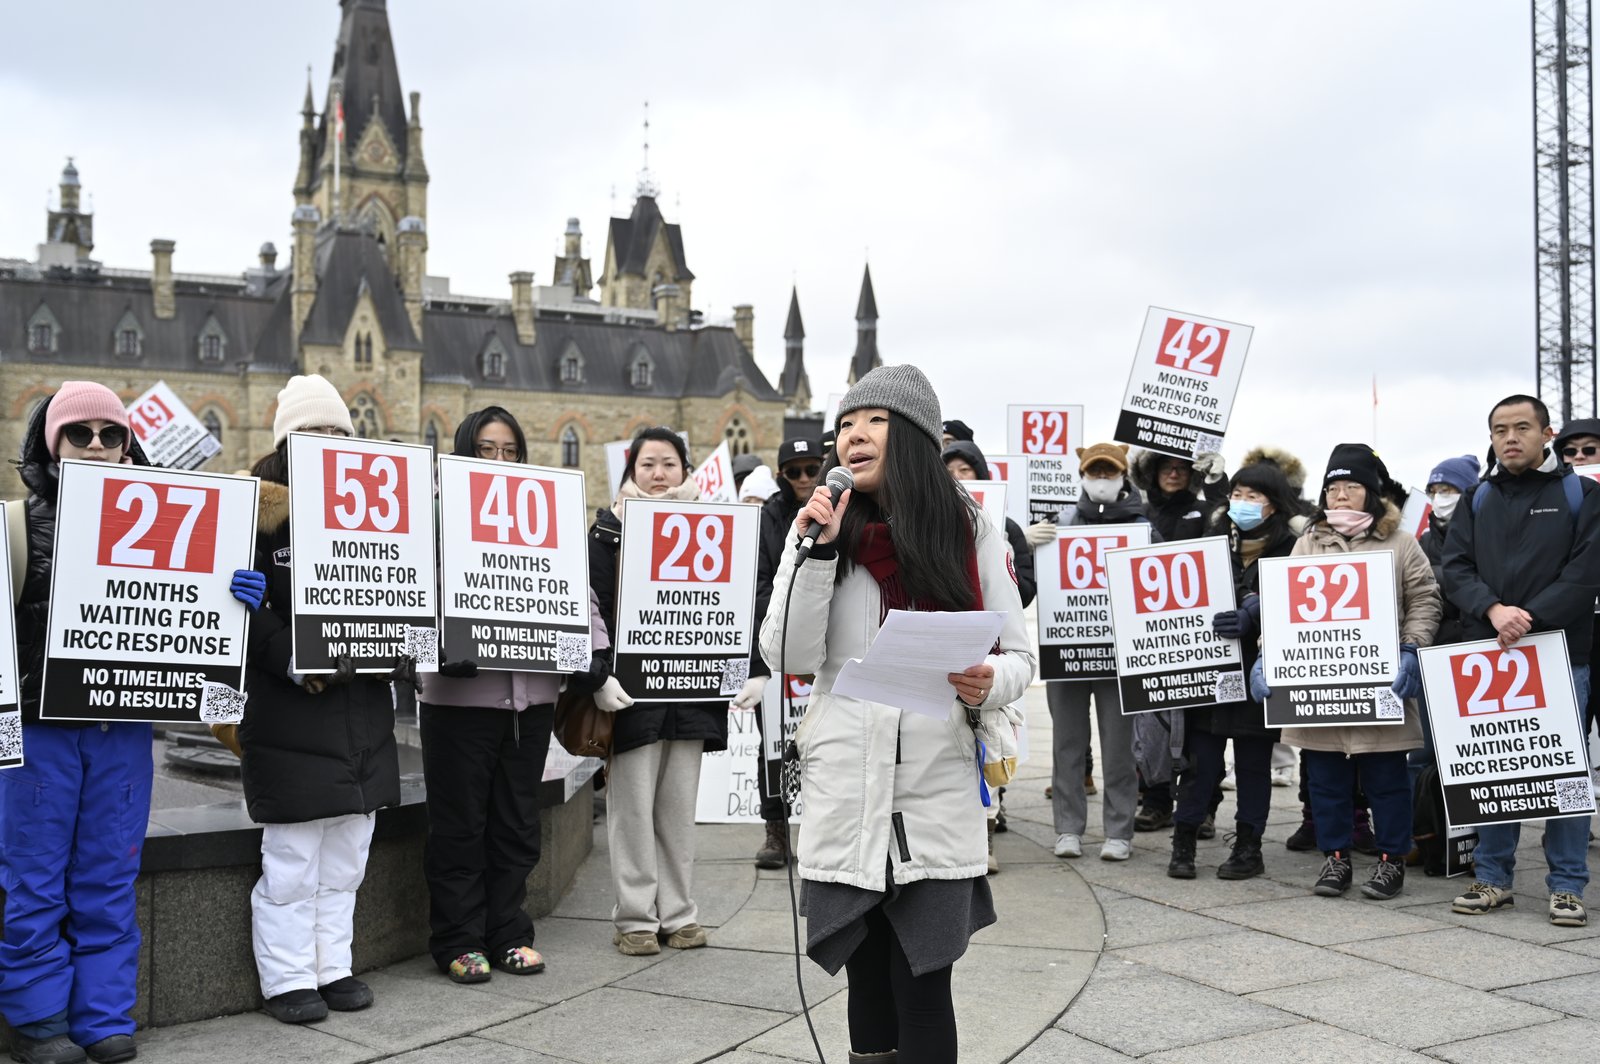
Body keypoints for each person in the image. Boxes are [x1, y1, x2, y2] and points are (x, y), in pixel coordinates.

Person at [761, 366, 1033, 1064]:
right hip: (845, 780)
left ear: (909, 437)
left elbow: (1019, 657)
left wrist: (987, 680)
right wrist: (816, 552)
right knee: (866, 982)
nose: (854, 436)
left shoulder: (969, 526)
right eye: (846, 427)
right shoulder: (820, 528)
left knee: (924, 980)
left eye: (873, 422)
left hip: (934, 785)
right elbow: (785, 652)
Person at [0, 384, 204, 1064]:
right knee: (33, 875)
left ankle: (104, 1016)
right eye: (77, 432)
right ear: (49, 444)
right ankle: (39, 1022)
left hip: (123, 731)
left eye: (108, 434)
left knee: (110, 874)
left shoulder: (173, 530)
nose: (93, 444)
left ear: (128, 445)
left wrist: (233, 595)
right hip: (39, 732)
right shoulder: (12, 528)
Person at [416, 407, 619, 984]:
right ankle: (456, 939)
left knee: (516, 824)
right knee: (459, 826)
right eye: (486, 449)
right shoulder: (436, 517)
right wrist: (431, 646)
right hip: (459, 700)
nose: (500, 461)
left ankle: (509, 932)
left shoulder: (543, 517)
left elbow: (574, 592)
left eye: (510, 450)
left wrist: (597, 656)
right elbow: (406, 588)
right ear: (462, 453)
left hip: (530, 701)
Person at [233, 375, 402, 1024]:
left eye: (338, 432)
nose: (329, 443)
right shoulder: (258, 515)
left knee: (346, 859)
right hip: (292, 717)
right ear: (286, 443)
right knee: (293, 861)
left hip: (362, 721)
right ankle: (286, 979)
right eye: (313, 432)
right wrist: (289, 654)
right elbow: (243, 623)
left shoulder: (378, 516)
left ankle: (333, 965)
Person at [591, 428, 765, 955]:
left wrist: (752, 668)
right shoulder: (606, 529)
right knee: (632, 811)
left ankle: (680, 914)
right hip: (632, 693)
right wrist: (597, 676)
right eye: (647, 464)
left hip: (690, 691)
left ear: (685, 470)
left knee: (676, 811)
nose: (658, 473)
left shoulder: (714, 524)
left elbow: (735, 602)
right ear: (631, 471)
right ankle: (636, 919)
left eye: (669, 463)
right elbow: (591, 604)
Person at [1443, 394, 1600, 927]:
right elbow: (1454, 566)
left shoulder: (1583, 494)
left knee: (1563, 776)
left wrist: (1525, 617)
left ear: (1547, 433)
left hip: (1559, 655)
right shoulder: (1477, 497)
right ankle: (1492, 877)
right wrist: (1492, 609)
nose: (1509, 438)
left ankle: (1567, 885)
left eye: (1521, 428)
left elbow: (1585, 574)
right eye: (1498, 430)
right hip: (1491, 653)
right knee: (1495, 769)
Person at [1268, 445, 1442, 900]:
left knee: (1387, 781)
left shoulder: (1401, 542)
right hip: (1320, 685)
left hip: (1379, 682)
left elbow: (1425, 599)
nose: (1341, 496)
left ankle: (1391, 861)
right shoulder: (1308, 542)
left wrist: (1411, 648)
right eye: (1333, 488)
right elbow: (1284, 607)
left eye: (1352, 487)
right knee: (1324, 781)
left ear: (1372, 494)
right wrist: (1269, 655)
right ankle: (1336, 858)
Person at [1168, 460, 1300, 881]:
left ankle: (1248, 846)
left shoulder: (1291, 549)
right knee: (1200, 766)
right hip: (1209, 676)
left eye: (1254, 496)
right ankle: (1183, 842)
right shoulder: (1212, 541)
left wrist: (1255, 614)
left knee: (1253, 767)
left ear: (1274, 505)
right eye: (1238, 494)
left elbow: (1297, 606)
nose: (1242, 503)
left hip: (1259, 679)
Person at [1044, 442, 1149, 862]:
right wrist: (1026, 541)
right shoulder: (1061, 521)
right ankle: (1068, 828)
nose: (1101, 480)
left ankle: (1119, 830)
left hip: (1119, 655)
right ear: (1082, 475)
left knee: (1120, 747)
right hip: (1068, 649)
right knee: (1067, 743)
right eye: (1094, 472)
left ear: (1123, 476)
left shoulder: (1143, 524)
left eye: (1109, 473)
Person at [941, 438, 1036, 873]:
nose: (957, 477)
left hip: (991, 656)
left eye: (966, 469)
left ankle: (988, 834)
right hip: (949, 653)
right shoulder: (930, 522)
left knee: (992, 746)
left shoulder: (1004, 527)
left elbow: (1025, 588)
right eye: (950, 469)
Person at [1127, 448, 1229, 832]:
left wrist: (1220, 484)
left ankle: (1204, 806)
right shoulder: (1138, 517)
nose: (1173, 473)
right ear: (1152, 474)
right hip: (1152, 639)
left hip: (1197, 638)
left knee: (1202, 732)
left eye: (1181, 468)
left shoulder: (1205, 513)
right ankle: (1155, 800)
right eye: (1165, 467)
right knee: (1152, 727)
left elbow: (1227, 526)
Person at [751, 437, 823, 870]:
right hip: (776, 645)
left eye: (811, 469)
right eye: (793, 471)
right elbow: (757, 583)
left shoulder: (843, 507)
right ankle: (776, 830)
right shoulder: (766, 519)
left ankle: (822, 830)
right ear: (781, 475)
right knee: (774, 747)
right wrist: (787, 624)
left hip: (826, 653)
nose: (802, 478)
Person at [1411, 454, 1481, 786]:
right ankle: (1423, 828)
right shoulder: (1424, 539)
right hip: (1434, 650)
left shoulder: (1483, 531)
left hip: (1475, 651)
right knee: (1423, 748)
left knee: (1472, 744)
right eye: (1434, 489)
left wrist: (1438, 580)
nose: (1440, 497)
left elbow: (1480, 584)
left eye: (1449, 488)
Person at [1554, 418, 1600, 739]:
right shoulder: (1552, 498)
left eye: (1589, 450)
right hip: (1571, 622)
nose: (1579, 456)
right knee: (1571, 725)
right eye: (1570, 451)